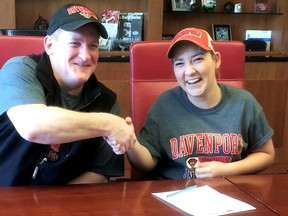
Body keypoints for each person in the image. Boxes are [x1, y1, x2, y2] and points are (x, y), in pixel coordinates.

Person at [108, 27, 275, 180]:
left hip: (229, 194)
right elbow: (147, 163)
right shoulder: (164, 105)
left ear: (216, 60)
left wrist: (226, 170)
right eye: (179, 63)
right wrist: (132, 144)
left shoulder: (245, 103)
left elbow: (266, 154)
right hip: (173, 196)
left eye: (197, 59)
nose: (189, 71)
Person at [0, 3, 134, 186]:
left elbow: (100, 173)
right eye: (75, 43)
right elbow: (33, 126)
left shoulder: (107, 100)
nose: (86, 56)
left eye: (93, 46)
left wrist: (50, 205)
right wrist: (109, 124)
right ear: (49, 45)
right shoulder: (20, 69)